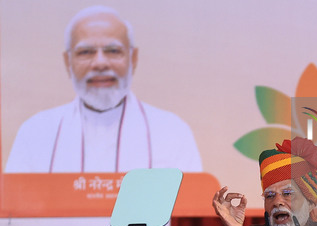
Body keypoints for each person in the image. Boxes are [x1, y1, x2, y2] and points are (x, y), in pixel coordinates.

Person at [5, 5, 202, 173]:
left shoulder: (172, 132)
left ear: (133, 59)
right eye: (86, 52)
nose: (100, 63)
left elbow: (189, 215)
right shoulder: (35, 132)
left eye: (113, 51)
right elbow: (11, 215)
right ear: (68, 62)